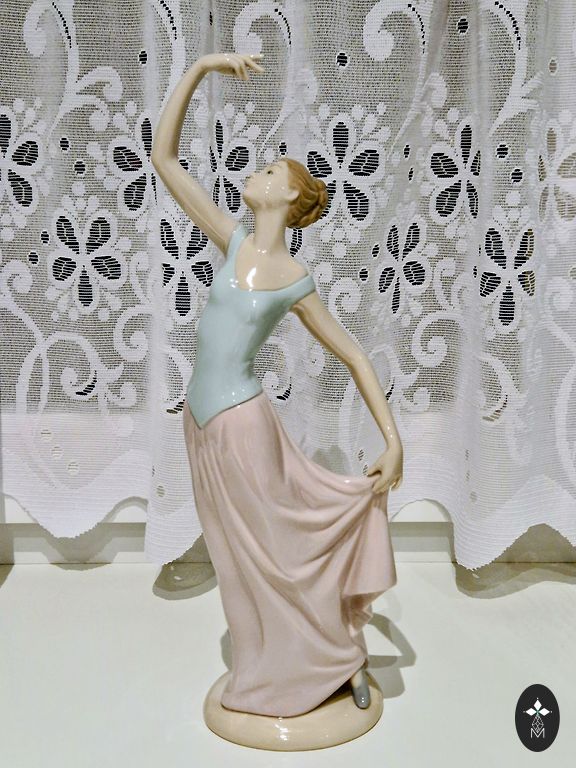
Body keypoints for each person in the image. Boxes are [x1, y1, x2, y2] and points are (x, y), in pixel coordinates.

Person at [151, 52, 403, 718]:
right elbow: (164, 159)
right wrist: (201, 67)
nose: (256, 172)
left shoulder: (295, 281)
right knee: (236, 560)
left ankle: (338, 658)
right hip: (199, 424)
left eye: (270, 171)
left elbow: (354, 356)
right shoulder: (232, 242)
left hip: (241, 426)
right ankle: (269, 667)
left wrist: (393, 440)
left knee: (280, 555)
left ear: (289, 197)